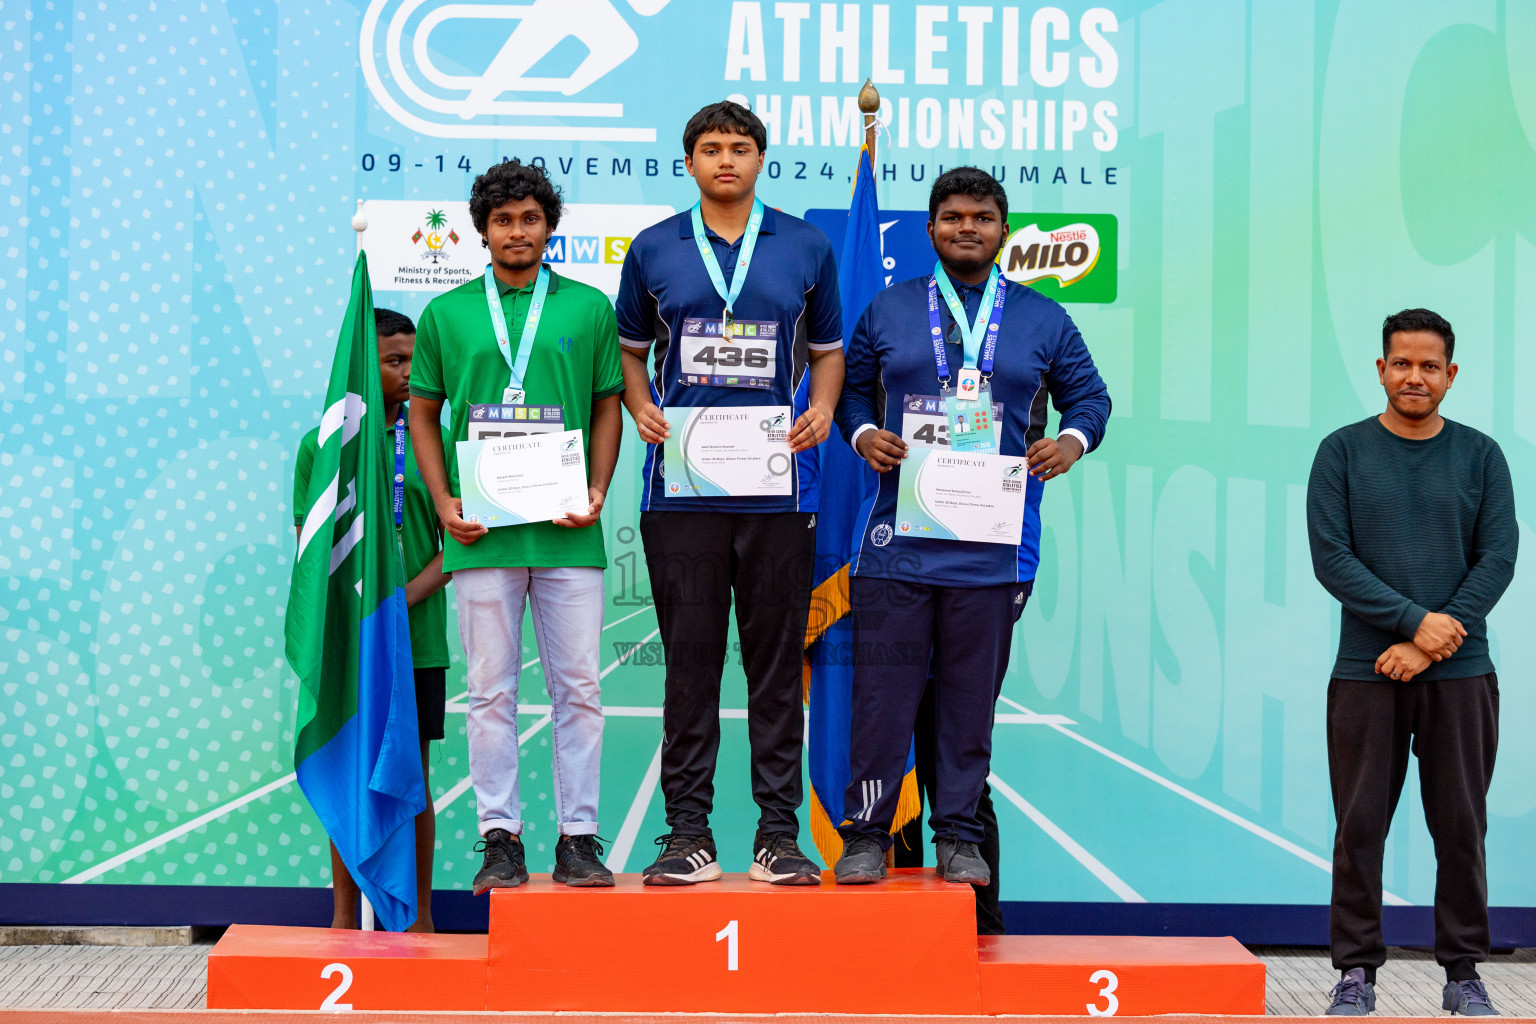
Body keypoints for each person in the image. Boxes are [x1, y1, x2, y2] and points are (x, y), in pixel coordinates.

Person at [830, 167, 1110, 886]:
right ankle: (867, 833)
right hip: (897, 547)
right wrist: (862, 433)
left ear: (1003, 231)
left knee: (967, 705)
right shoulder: (888, 309)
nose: (966, 228)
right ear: (930, 230)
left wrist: (1070, 442)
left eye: (981, 218)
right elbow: (853, 388)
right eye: (952, 217)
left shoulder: (1043, 317)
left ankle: (957, 833)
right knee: (880, 700)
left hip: (995, 550)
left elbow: (1091, 399)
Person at [615, 100, 844, 885]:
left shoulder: (807, 245)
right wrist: (640, 403)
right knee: (691, 666)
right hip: (680, 493)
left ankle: (778, 836)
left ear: (760, 160)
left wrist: (819, 409)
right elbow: (631, 351)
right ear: (689, 162)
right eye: (710, 148)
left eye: (740, 148)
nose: (725, 160)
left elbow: (828, 350)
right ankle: (688, 834)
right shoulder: (653, 248)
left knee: (777, 666)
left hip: (778, 493)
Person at [409, 160, 625, 891]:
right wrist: (443, 502)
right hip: (482, 535)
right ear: (482, 230)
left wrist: (599, 487)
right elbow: (423, 412)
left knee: (579, 690)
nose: (517, 231)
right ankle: (499, 838)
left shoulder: (589, 307)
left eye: (530, 218)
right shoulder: (447, 314)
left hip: (568, 529)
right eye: (503, 220)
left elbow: (605, 404)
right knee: (490, 692)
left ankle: (579, 839)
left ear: (549, 226)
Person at [1308, 308, 1516, 1017]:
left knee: (1461, 828)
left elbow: (1499, 558)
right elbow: (1332, 560)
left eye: (1430, 366)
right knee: (1359, 827)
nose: (1415, 377)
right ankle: (1356, 974)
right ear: (1381, 369)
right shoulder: (1341, 452)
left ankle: (1463, 972)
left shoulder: (1482, 456)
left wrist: (1434, 637)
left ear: (1450, 376)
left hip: (1462, 674)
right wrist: (1412, 624)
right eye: (1402, 363)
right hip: (1367, 672)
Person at [293, 307, 452, 931]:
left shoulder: (431, 437)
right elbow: (313, 556)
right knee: (349, 776)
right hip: (351, 647)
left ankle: (422, 921)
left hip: (415, 643)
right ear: (365, 364)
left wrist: (396, 604)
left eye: (414, 358)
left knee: (409, 779)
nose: (408, 372)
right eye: (393, 361)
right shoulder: (322, 447)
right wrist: (362, 615)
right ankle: (341, 918)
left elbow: (458, 546)